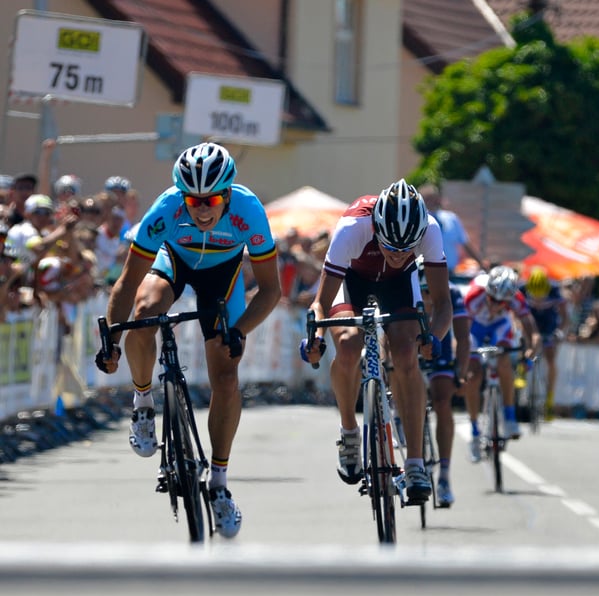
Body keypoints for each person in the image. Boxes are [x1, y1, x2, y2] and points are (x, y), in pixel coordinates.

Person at [93, 142, 281, 538]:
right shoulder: (165, 210)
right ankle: (144, 403)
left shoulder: (249, 213)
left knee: (226, 378)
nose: (202, 208)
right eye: (193, 200)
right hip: (173, 262)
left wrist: (239, 331)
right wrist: (111, 338)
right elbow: (127, 283)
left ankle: (219, 482)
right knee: (144, 313)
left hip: (222, 277)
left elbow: (270, 291)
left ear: (227, 193)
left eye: (211, 199)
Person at [299, 178, 452, 505]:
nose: (398, 255)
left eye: (406, 249)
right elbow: (321, 303)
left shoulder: (430, 230)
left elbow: (443, 304)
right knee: (350, 344)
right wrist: (315, 336)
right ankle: (349, 433)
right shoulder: (352, 228)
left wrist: (433, 339)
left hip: (398, 286)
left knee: (406, 352)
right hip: (352, 281)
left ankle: (414, 462)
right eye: (390, 247)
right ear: (376, 229)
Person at [461, 265, 542, 459]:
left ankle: (509, 415)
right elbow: (461, 334)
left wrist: (531, 348)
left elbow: (532, 330)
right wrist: (463, 357)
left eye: (502, 302)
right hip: (475, 328)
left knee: (504, 358)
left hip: (499, 326)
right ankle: (474, 431)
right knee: (473, 376)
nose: (496, 305)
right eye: (492, 299)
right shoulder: (473, 296)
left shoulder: (516, 297)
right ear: (487, 292)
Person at [416, 256, 471, 507]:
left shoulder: (453, 295)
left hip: (441, 350)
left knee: (441, 401)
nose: (428, 298)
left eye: (430, 291)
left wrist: (460, 371)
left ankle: (445, 476)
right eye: (423, 291)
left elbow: (463, 337)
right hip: (412, 349)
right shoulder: (408, 291)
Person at [521, 265, 568, 419]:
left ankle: (549, 398)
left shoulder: (554, 291)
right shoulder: (522, 289)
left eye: (541, 297)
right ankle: (523, 367)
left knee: (550, 357)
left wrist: (559, 332)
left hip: (549, 324)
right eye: (535, 297)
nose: (538, 300)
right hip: (530, 322)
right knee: (524, 340)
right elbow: (516, 315)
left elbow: (565, 318)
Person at [419, 183, 486, 276]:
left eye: (435, 198)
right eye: (428, 198)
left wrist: (481, 264)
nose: (433, 201)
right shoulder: (419, 221)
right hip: (425, 274)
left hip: (450, 273)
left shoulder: (451, 218)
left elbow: (465, 244)